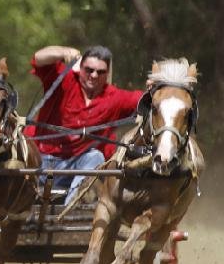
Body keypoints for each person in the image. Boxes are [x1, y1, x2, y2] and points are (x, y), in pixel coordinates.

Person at [26, 45, 144, 199]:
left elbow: (147, 100)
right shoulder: (64, 79)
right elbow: (38, 58)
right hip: (37, 161)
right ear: (80, 68)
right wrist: (63, 52)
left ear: (107, 74)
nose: (94, 75)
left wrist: (158, 88)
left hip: (74, 168)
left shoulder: (116, 98)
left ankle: (69, 211)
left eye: (100, 72)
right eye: (89, 70)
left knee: (95, 157)